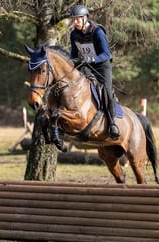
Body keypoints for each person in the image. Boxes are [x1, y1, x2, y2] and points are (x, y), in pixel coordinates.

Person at [69, 5, 120, 140]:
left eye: (77, 19)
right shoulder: (74, 34)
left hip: (102, 66)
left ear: (85, 18)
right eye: (73, 20)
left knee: (107, 92)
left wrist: (92, 59)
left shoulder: (97, 32)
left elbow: (106, 54)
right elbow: (73, 54)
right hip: (86, 65)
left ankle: (112, 123)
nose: (75, 22)